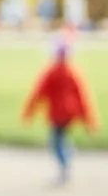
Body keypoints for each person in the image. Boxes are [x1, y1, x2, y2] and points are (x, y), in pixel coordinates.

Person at [21, 41, 98, 185]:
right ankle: (67, 156)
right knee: (60, 138)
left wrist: (28, 113)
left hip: (57, 114)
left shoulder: (52, 72)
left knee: (55, 142)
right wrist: (89, 120)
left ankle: (65, 164)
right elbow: (83, 96)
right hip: (69, 113)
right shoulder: (72, 72)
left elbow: (37, 94)